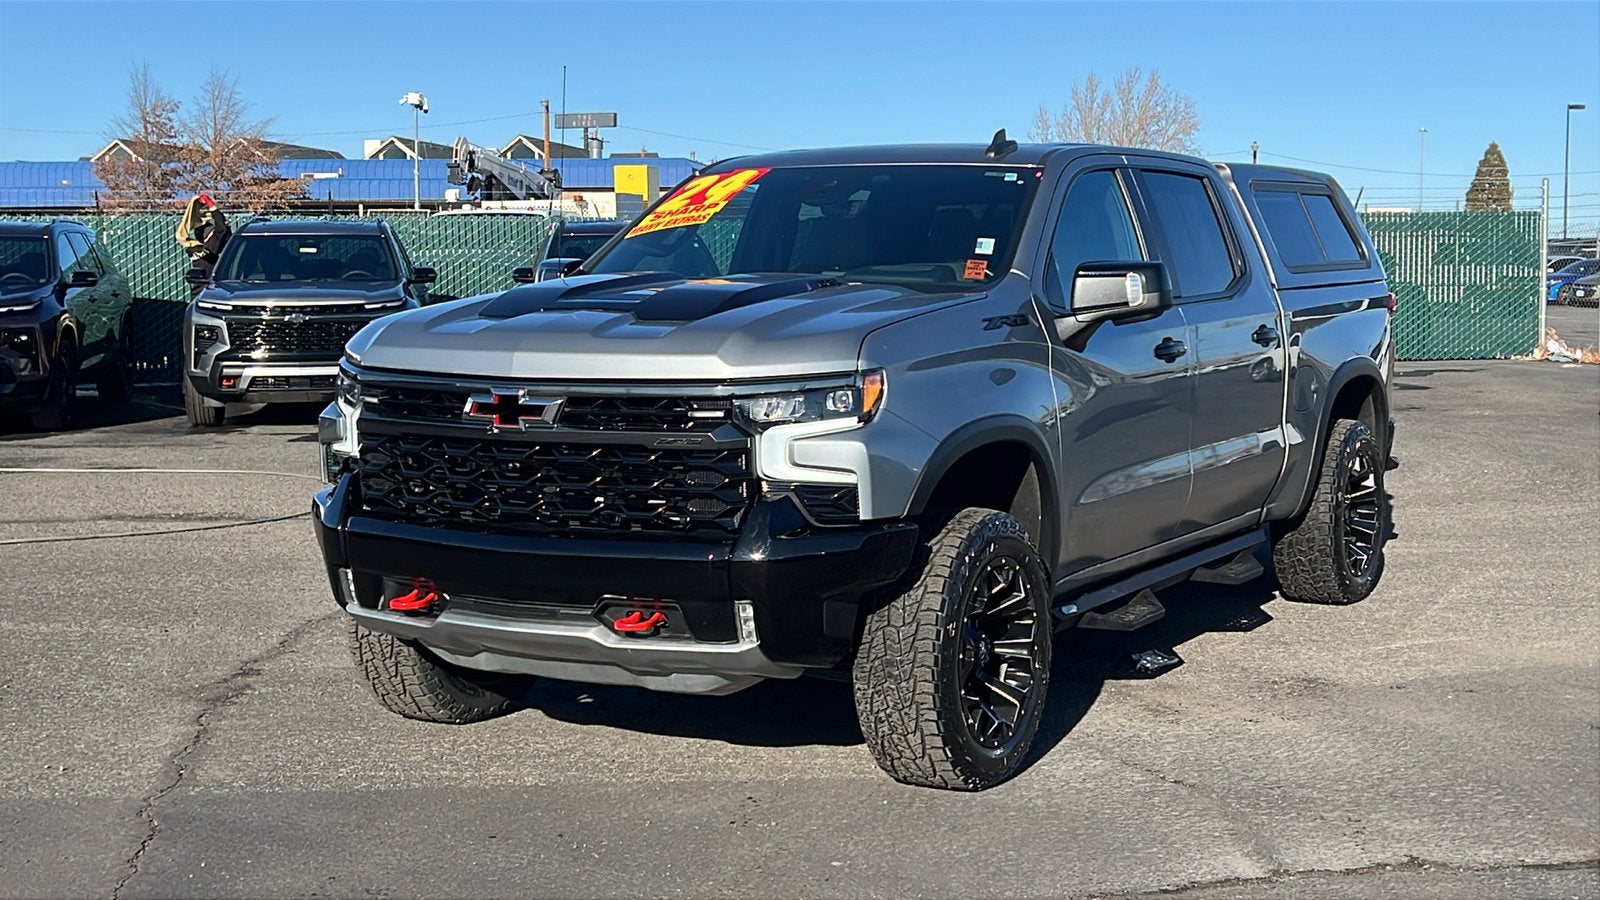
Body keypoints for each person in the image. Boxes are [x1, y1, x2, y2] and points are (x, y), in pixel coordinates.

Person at [176, 194, 232, 296]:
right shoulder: (209, 248)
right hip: (210, 292)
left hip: (198, 293)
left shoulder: (192, 248)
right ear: (208, 237)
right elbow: (222, 228)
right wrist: (212, 206)